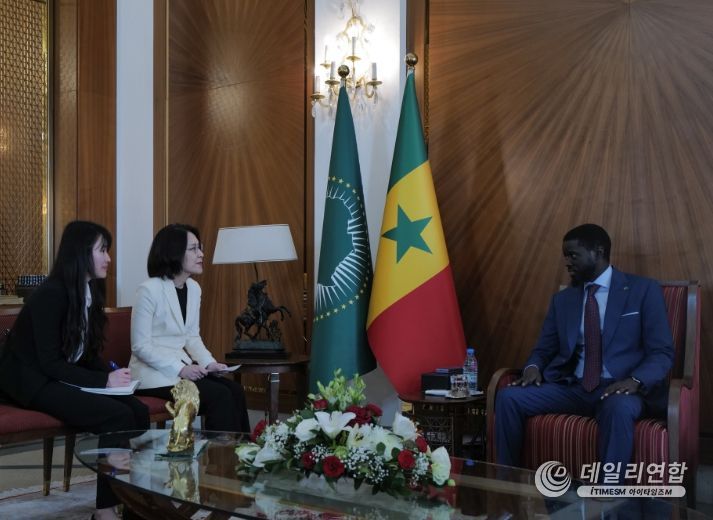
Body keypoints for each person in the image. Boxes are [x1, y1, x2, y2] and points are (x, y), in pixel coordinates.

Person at [495, 224, 674, 479]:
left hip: (620, 387)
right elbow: (544, 348)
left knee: (618, 408)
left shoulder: (643, 290)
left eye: (573, 255)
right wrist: (533, 367)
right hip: (573, 387)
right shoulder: (563, 300)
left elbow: (662, 352)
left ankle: (607, 492)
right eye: (565, 256)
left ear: (598, 252)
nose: (567, 262)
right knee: (508, 397)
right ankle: (506, 482)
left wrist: (635, 380)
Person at [0, 220, 150, 520]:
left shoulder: (89, 291)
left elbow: (86, 353)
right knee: (117, 416)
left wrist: (113, 377)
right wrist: (103, 381)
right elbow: (50, 363)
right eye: (102, 250)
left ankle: (129, 499)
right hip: (32, 381)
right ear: (80, 252)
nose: (108, 258)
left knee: (137, 410)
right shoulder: (50, 294)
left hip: (57, 375)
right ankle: (105, 511)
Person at [130, 223, 250, 433]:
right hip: (152, 375)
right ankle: (220, 453)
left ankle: (242, 451)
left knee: (235, 390)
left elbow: (191, 337)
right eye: (194, 249)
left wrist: (210, 363)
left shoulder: (194, 288)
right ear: (174, 253)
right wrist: (180, 369)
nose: (201, 254)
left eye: (200, 248)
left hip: (180, 370)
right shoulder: (149, 290)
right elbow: (140, 346)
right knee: (219, 395)